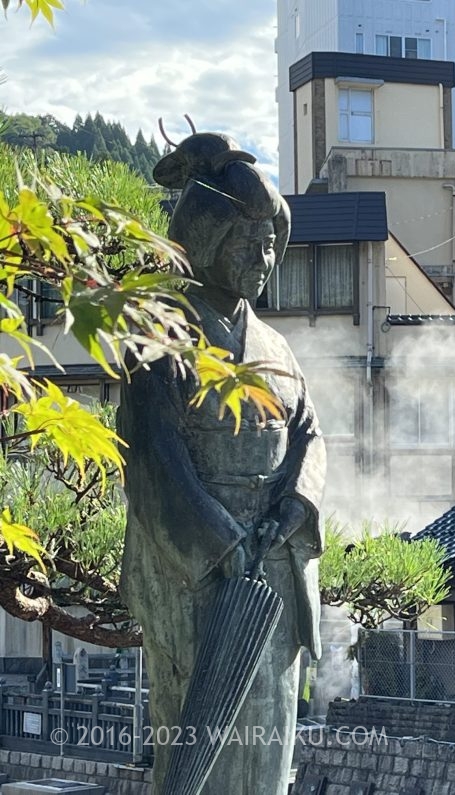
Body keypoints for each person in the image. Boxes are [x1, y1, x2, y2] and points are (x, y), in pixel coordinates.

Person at [118, 134, 326, 794]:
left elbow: (310, 437)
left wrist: (294, 507)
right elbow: (154, 461)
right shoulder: (163, 338)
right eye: (245, 242)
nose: (263, 259)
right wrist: (219, 540)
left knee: (269, 742)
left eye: (270, 244)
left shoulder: (276, 347)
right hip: (199, 569)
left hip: (272, 559)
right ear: (205, 240)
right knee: (195, 743)